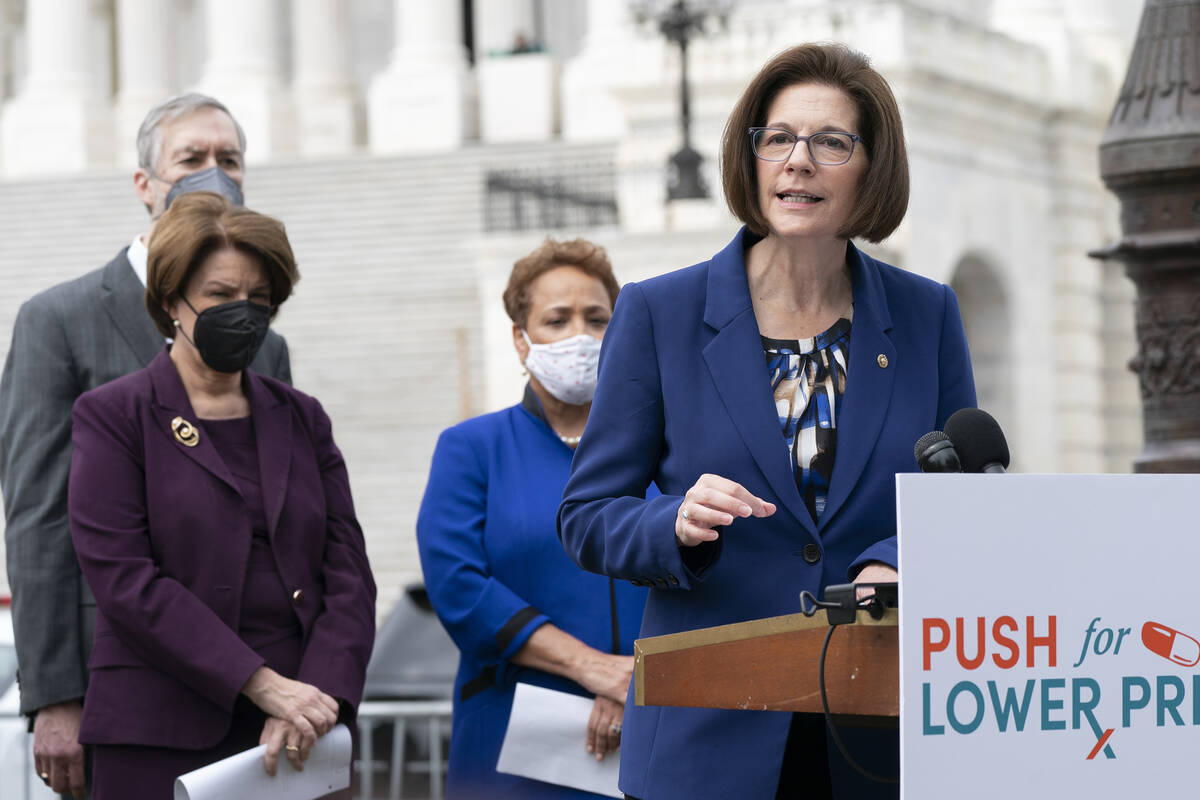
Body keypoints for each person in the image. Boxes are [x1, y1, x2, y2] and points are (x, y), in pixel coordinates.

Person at [558, 43, 977, 800]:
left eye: (831, 142)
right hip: (707, 734)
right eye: (778, 138)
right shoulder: (660, 313)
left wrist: (895, 558)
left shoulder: (926, 314)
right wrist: (673, 523)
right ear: (751, 159)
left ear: (871, 168)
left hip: (879, 729)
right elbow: (587, 516)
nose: (799, 161)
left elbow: (963, 486)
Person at [0, 92, 291, 798]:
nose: (212, 174)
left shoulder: (266, 344)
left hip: (257, 691)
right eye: (190, 159)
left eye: (229, 159)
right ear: (145, 184)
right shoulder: (58, 320)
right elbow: (39, 517)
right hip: (120, 684)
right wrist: (56, 694)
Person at [66, 191, 376, 797]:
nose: (244, 312)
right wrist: (260, 682)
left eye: (259, 298)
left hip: (294, 733)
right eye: (220, 295)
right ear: (168, 302)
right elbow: (125, 580)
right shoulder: (113, 415)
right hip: (158, 732)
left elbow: (348, 572)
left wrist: (318, 696)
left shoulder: (302, 417)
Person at [416, 238, 648, 799]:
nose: (580, 336)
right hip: (513, 740)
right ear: (521, 340)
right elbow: (459, 587)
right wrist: (596, 670)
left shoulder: (660, 448)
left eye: (597, 319)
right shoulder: (472, 448)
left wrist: (635, 682)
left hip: (650, 726)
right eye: (556, 319)